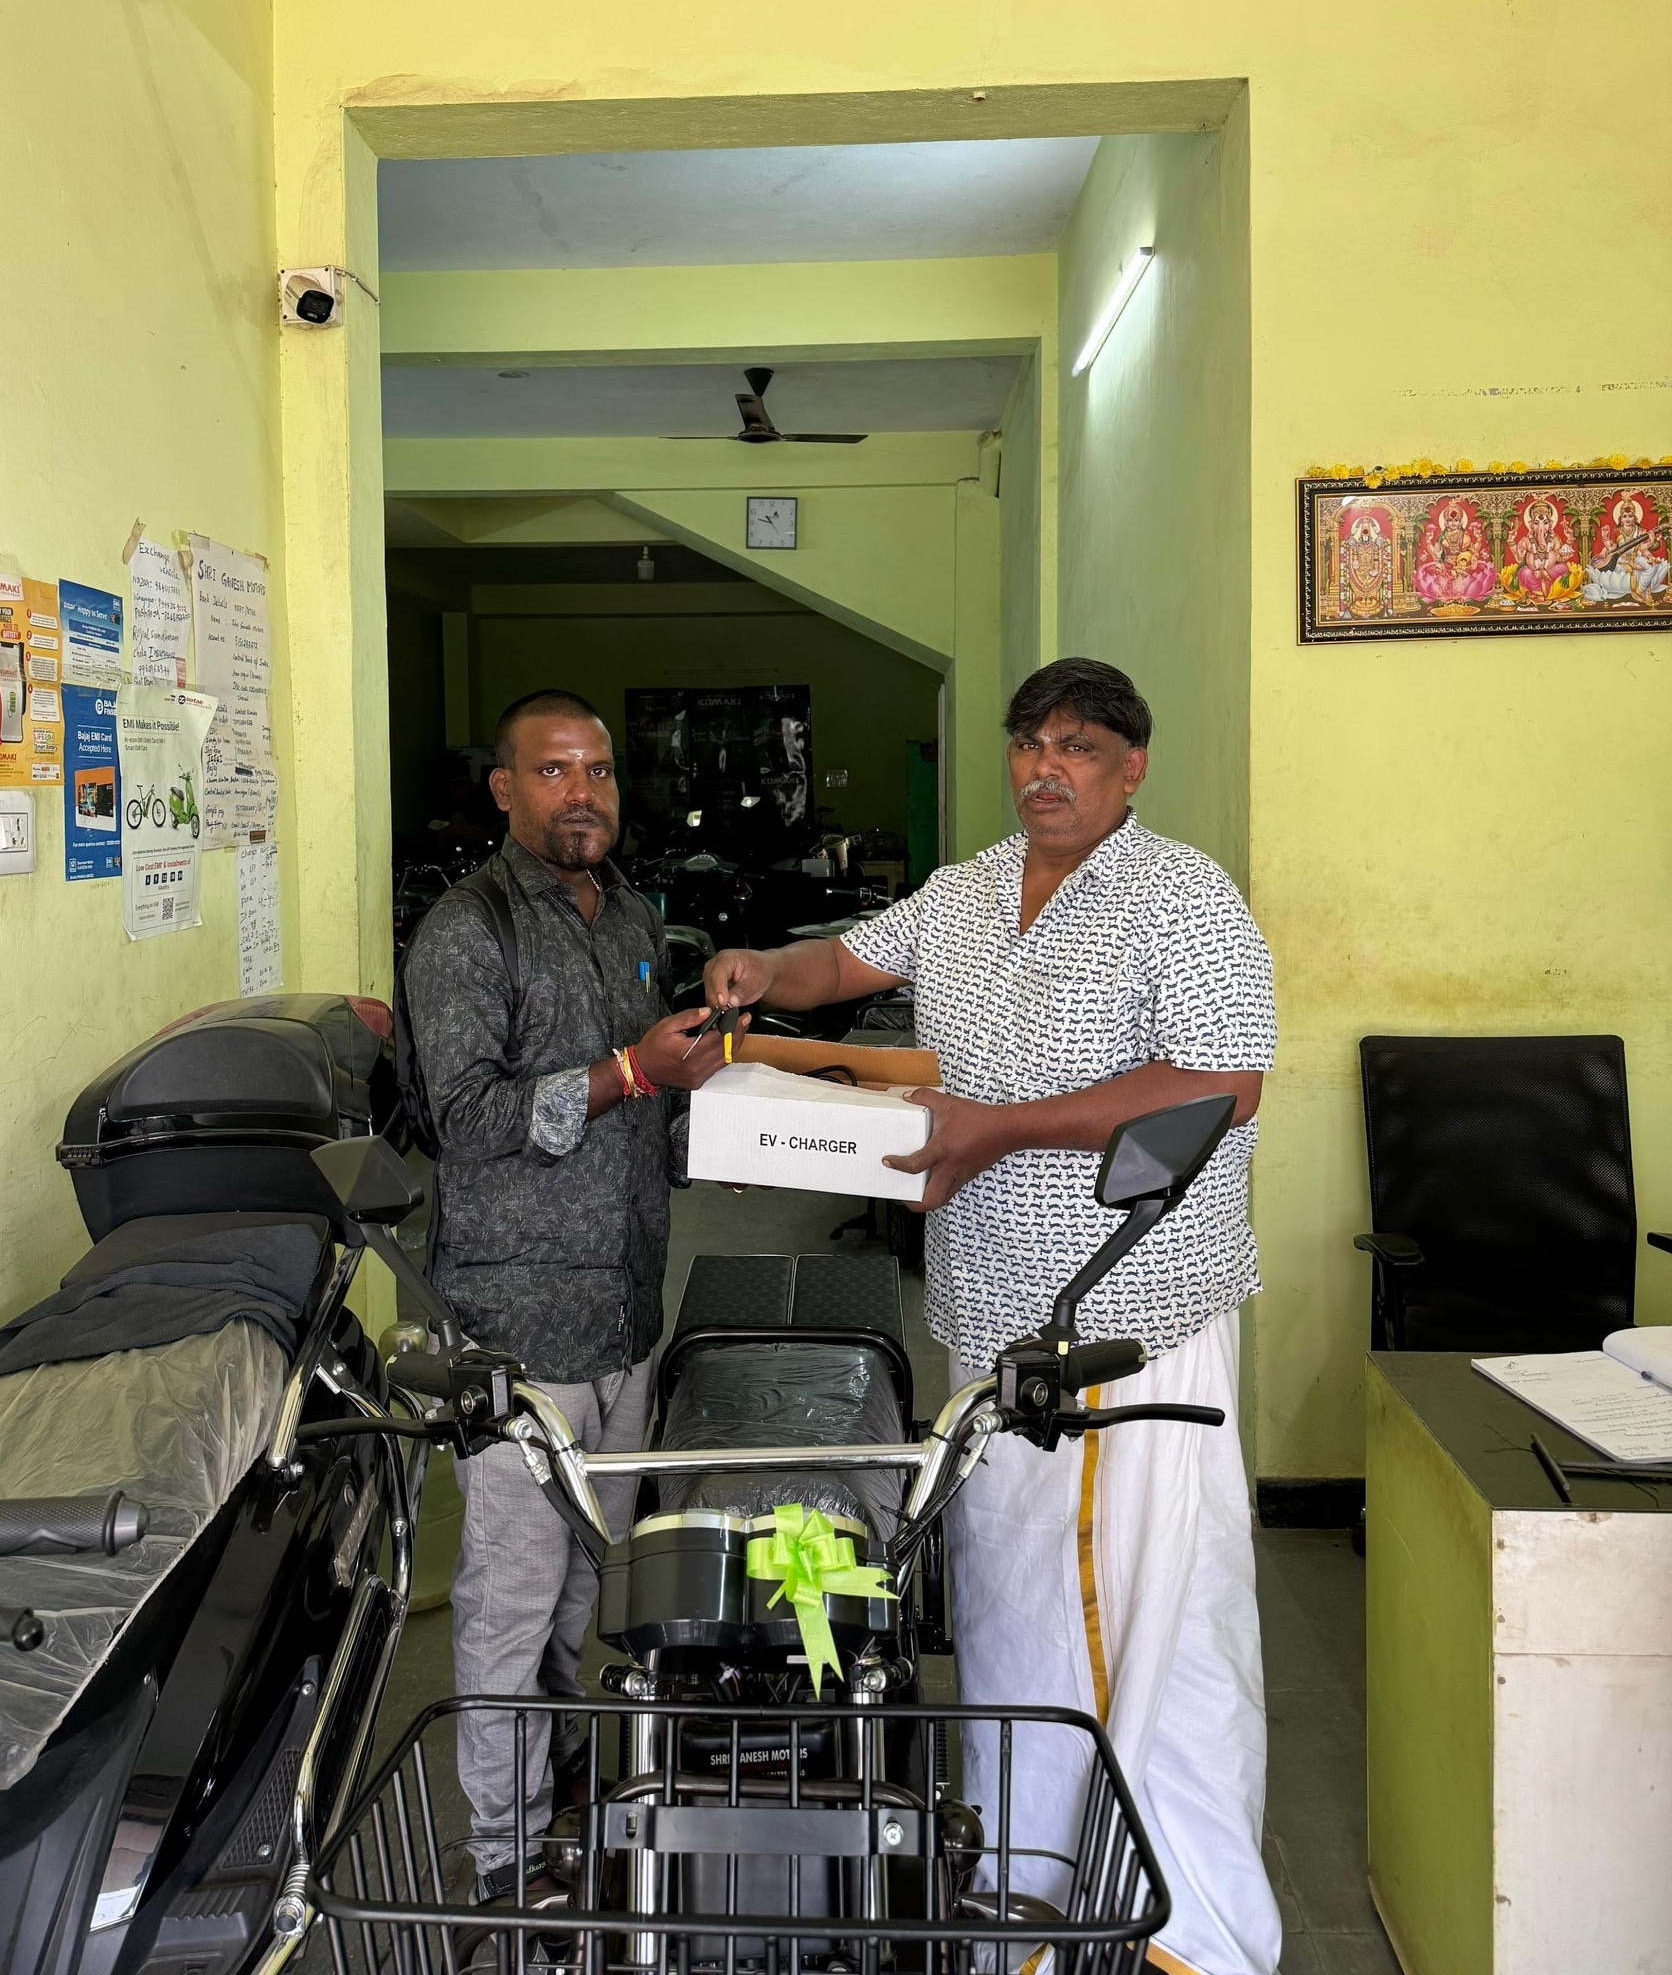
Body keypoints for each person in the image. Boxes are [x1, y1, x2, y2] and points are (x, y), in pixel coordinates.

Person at [704, 657, 1280, 1975]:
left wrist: (999, 1128)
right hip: (996, 1324)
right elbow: (842, 961)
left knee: (1137, 1624)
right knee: (1024, 1619)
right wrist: (759, 969)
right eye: (1029, 743)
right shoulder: (968, 891)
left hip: (1126, 1322)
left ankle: (1153, 1927)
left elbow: (1222, 1083)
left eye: (1078, 747)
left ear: (1131, 766)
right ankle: (1035, 1905)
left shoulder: (1179, 894)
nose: (1045, 768)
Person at [404, 688, 741, 1907]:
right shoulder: (467, 930)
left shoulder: (634, 915)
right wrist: (630, 1071)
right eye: (552, 771)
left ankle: (558, 1813)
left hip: (624, 1312)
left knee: (586, 1590)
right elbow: (469, 1119)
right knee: (511, 1603)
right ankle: (502, 1869)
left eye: (597, 769)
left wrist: (716, 1108)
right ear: (505, 790)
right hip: (520, 1330)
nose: (582, 792)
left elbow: (652, 1104)